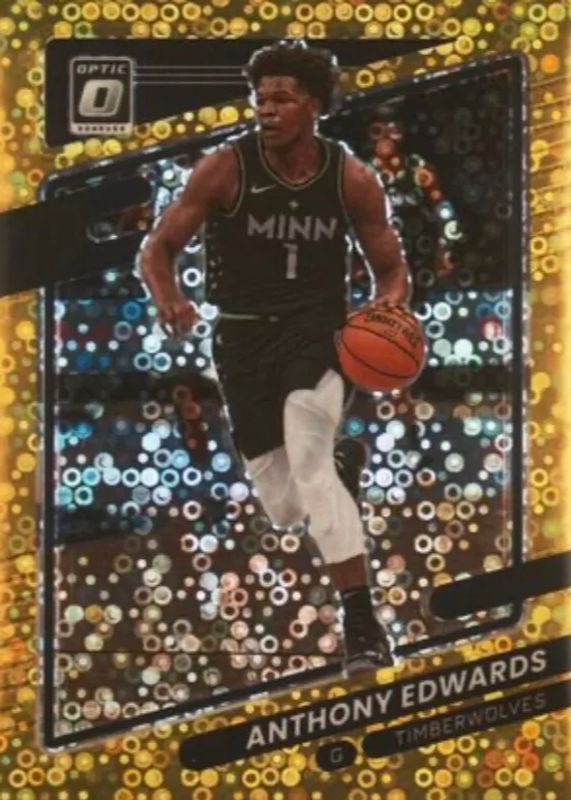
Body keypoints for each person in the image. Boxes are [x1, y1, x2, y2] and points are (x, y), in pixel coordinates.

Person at [139, 40, 411, 672]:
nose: (266, 109)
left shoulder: (350, 177)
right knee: (286, 509)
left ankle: (363, 625)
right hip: (241, 341)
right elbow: (157, 249)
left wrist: (386, 310)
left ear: (313, 105)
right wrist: (169, 297)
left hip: (317, 334)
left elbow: (392, 269)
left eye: (282, 99)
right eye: (260, 99)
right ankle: (342, 467)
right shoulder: (224, 168)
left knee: (309, 465)